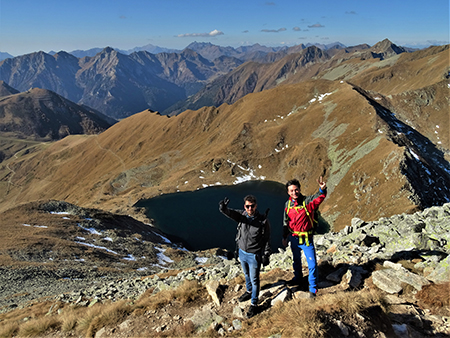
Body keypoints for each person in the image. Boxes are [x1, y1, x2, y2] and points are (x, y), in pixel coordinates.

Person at [219, 195, 271, 318]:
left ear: (256, 206)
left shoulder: (263, 221)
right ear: (244, 206)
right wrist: (222, 207)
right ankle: (248, 291)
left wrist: (266, 254)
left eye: (252, 206)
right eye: (247, 206)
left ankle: (254, 304)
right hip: (242, 252)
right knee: (246, 275)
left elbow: (267, 239)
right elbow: (229, 213)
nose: (250, 208)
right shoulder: (241, 216)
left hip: (254, 255)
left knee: (254, 279)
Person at [282, 176, 327, 297]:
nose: (294, 192)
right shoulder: (288, 204)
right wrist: (285, 236)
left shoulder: (307, 202)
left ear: (299, 189)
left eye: (296, 190)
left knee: (312, 265)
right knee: (296, 261)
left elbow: (319, 198)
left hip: (306, 239)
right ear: (288, 192)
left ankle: (313, 288)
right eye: (291, 190)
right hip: (294, 239)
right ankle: (298, 278)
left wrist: (322, 189)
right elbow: (286, 222)